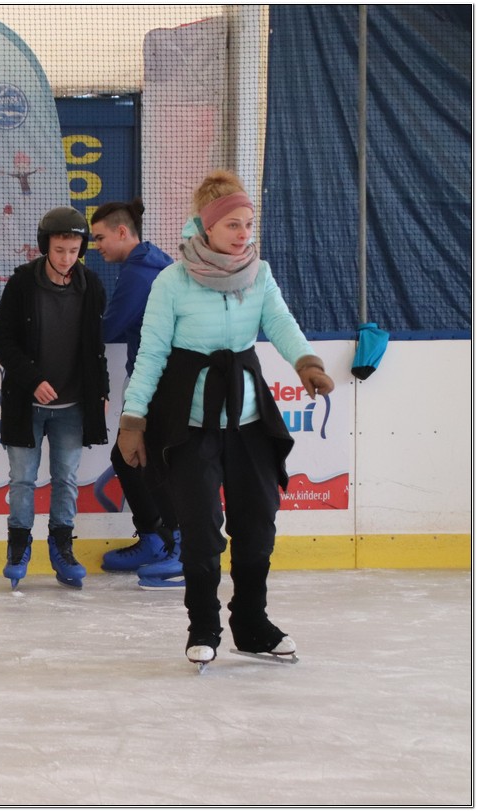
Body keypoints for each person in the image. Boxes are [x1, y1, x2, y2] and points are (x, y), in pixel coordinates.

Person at [115, 170, 334, 668]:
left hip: (248, 419)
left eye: (248, 224)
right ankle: (203, 626)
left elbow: (280, 323)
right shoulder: (172, 281)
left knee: (257, 524)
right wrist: (133, 421)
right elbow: (151, 353)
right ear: (207, 226)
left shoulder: (259, 273)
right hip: (190, 424)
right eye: (233, 224)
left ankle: (251, 624)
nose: (243, 234)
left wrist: (307, 363)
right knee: (200, 529)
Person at [0, 206, 109, 590]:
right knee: (23, 480)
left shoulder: (91, 286)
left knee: (67, 480)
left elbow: (96, 348)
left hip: (72, 406)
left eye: (74, 250)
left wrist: (102, 390)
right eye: (59, 250)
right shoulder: (22, 284)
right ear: (45, 246)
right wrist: (33, 380)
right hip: (27, 405)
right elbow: (3, 341)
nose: (66, 258)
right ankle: (18, 548)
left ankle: (62, 548)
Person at [89, 199, 183, 588]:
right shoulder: (154, 264)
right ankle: (155, 539)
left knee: (144, 460)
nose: (96, 246)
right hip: (154, 377)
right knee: (130, 458)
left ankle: (175, 545)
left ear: (123, 232)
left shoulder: (140, 274)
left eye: (100, 238)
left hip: (157, 380)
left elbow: (108, 329)